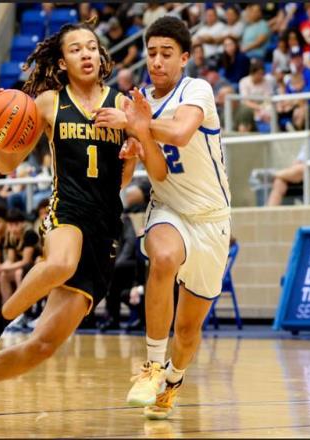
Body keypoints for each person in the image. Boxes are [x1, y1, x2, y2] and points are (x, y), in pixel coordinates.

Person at [0, 19, 138, 431]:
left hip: (104, 228)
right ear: (62, 63)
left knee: (41, 346)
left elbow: (124, 179)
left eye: (92, 47)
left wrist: (131, 149)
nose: (86, 54)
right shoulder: (47, 104)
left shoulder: (123, 105)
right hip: (67, 210)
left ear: (101, 56)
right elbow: (6, 164)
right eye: (76, 49)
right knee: (60, 262)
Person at [96, 15, 231, 420]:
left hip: (212, 218)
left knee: (188, 332)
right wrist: (135, 144)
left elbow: (181, 133)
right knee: (164, 257)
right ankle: (153, 366)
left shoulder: (197, 89)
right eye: (151, 52)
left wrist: (137, 125)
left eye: (166, 53)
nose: (156, 61)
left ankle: (173, 378)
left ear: (184, 57)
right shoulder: (141, 104)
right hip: (168, 208)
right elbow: (157, 172)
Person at [267, 112, 310, 206]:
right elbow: (297, 161)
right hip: (303, 174)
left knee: (303, 168)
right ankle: (269, 212)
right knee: (280, 181)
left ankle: (271, 175)